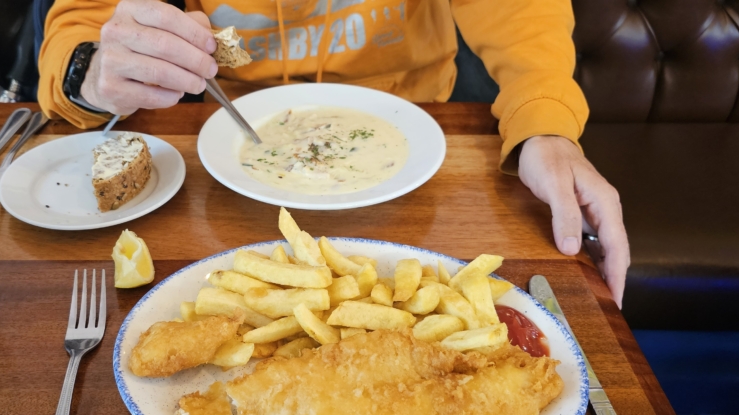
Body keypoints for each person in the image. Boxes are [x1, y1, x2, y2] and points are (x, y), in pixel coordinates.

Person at [37, 0, 630, 307]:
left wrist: (546, 126)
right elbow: (80, 29)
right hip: (226, 175)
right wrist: (90, 72)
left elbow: (522, 17)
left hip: (420, 165)